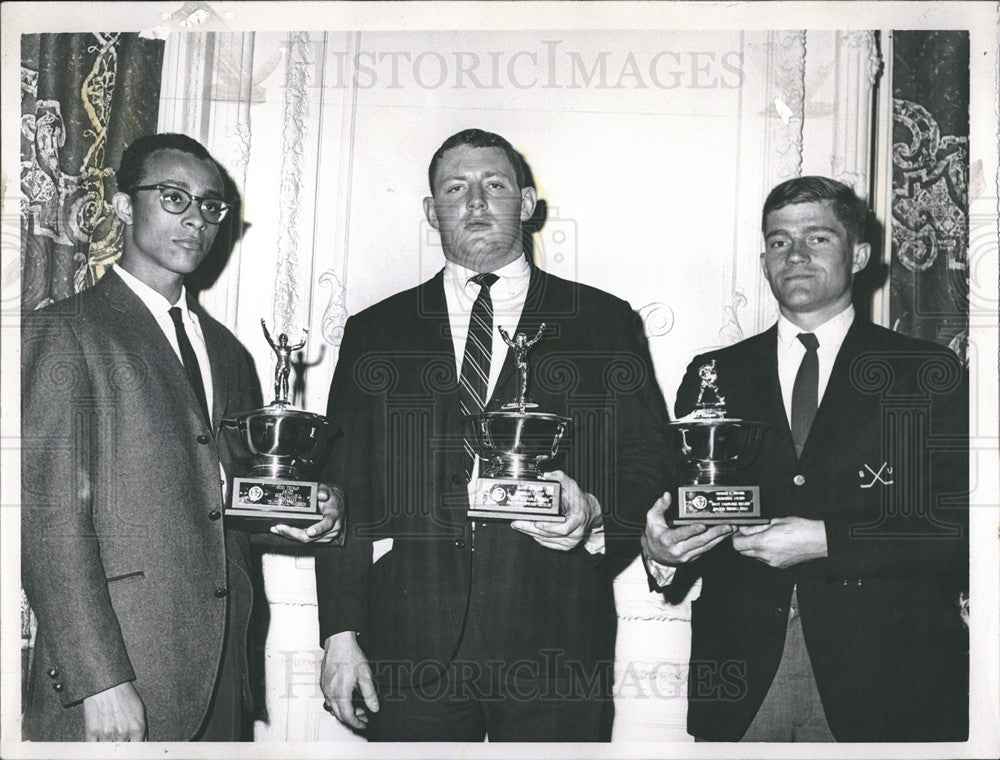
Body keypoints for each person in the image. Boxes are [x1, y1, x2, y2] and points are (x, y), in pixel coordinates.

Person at [315, 128, 669, 741]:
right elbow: (343, 491)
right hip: (410, 645)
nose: (476, 202)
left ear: (528, 204)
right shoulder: (376, 331)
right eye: (456, 188)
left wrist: (592, 513)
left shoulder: (602, 321)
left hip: (556, 643)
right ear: (432, 212)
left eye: (495, 185)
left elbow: (651, 461)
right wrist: (339, 635)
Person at [21, 133, 343, 742]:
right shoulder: (63, 331)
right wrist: (100, 680)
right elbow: (47, 520)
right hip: (118, 674)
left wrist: (305, 512)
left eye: (211, 205)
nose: (196, 218)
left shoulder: (228, 353)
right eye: (174, 198)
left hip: (220, 671)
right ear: (122, 207)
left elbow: (219, 501)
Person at [642, 176, 968, 742]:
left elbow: (958, 525)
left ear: (860, 255)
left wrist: (828, 540)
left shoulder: (926, 373)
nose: (794, 255)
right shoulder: (713, 373)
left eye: (817, 238)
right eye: (777, 241)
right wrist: (661, 551)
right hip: (741, 674)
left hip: (886, 675)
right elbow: (684, 504)